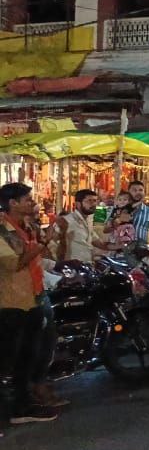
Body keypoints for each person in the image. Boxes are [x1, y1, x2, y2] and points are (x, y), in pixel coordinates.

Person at [0, 182, 57, 424]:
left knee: (28, 354)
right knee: (10, 359)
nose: (32, 203)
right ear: (12, 203)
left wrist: (46, 241)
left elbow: (41, 257)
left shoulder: (27, 226)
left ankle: (23, 404)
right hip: (11, 301)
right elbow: (14, 263)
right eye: (27, 199)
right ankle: (13, 409)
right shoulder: (3, 231)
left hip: (32, 296)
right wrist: (42, 244)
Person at [55, 189, 111, 264]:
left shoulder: (89, 220)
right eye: (89, 201)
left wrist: (122, 245)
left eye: (95, 201)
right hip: (73, 268)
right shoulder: (67, 220)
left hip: (87, 265)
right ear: (78, 204)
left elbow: (100, 243)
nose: (93, 204)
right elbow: (53, 240)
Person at [126, 180, 149, 250]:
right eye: (134, 190)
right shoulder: (119, 210)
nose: (138, 192)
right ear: (128, 193)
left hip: (140, 254)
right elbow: (106, 229)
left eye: (141, 190)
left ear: (144, 192)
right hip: (120, 254)